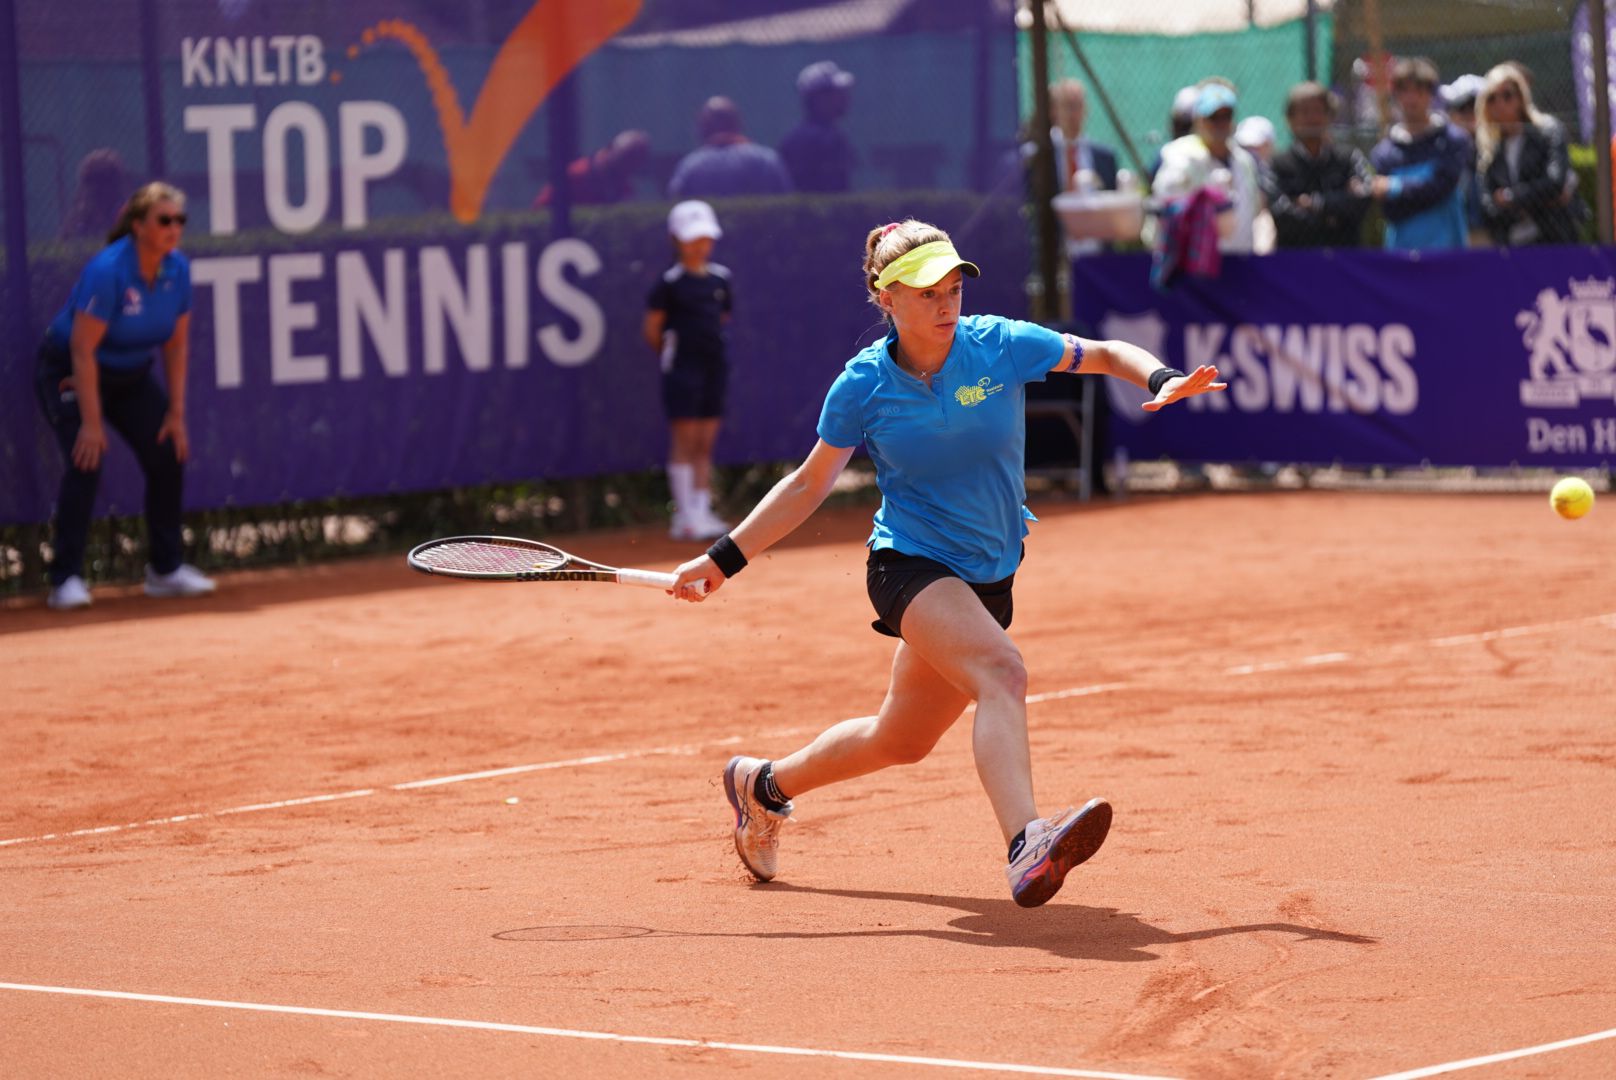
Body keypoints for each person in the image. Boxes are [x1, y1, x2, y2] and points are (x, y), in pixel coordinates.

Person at [666, 219, 1226, 906]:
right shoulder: (863, 385)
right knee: (1003, 673)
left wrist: (1163, 376)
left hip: (988, 578)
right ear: (887, 298)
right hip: (909, 565)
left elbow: (1105, 353)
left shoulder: (998, 345)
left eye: (954, 288)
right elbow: (809, 484)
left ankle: (763, 786)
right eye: (928, 292)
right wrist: (723, 559)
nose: (946, 305)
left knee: (898, 740)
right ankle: (1027, 845)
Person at [33, 181, 216, 610]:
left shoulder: (178, 270)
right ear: (138, 225)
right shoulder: (108, 270)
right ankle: (66, 579)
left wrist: (175, 412)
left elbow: (175, 345)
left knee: (168, 451)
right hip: (71, 370)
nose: (174, 228)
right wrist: (92, 425)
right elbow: (82, 348)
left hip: (129, 375)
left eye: (179, 221)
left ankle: (165, 570)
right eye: (164, 220)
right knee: (87, 459)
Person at [643, 200, 734, 541]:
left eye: (705, 238)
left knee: (706, 442)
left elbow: (722, 318)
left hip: (714, 366)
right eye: (692, 238)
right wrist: (676, 355)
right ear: (676, 240)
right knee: (685, 439)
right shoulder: (669, 284)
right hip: (682, 369)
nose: (700, 245)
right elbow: (652, 330)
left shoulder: (721, 279)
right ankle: (684, 517)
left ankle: (701, 509)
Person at [1474, 63, 1583, 247]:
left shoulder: (1548, 131)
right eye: (1492, 98)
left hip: (1554, 239)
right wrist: (1539, 199)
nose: (1500, 104)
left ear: (1521, 98)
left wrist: (1510, 198)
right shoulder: (1488, 147)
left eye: (1507, 95)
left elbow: (1555, 182)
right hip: (1512, 246)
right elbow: (1488, 205)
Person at [1369, 57, 1471, 251]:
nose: (1411, 98)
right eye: (1405, 91)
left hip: (1448, 253)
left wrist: (1394, 187)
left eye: (1419, 91)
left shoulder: (1454, 140)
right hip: (1401, 255)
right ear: (1396, 95)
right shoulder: (1383, 153)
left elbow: (1442, 187)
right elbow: (1390, 210)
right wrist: (1424, 190)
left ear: (1431, 94)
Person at [1152, 81, 1264, 254]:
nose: (1221, 123)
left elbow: (1255, 208)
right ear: (1199, 120)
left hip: (1241, 259)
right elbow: (1165, 211)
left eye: (1226, 116)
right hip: (1193, 265)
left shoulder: (1244, 160)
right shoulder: (1178, 155)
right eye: (1213, 117)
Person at [1265, 81, 1373, 248]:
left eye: (1318, 111)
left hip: (1345, 260)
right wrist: (1333, 217)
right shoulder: (1276, 165)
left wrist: (1315, 204)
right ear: (1290, 119)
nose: (1312, 118)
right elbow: (1280, 213)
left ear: (1330, 116)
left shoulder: (1349, 158)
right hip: (1294, 262)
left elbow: (1363, 198)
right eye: (1304, 112)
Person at [667, 97, 792, 200]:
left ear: (703, 128)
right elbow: (786, 199)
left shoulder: (690, 166)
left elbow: (675, 202)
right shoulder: (766, 159)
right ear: (738, 123)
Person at [778, 60, 857, 193]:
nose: (844, 97)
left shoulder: (802, 136)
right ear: (817, 98)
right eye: (835, 92)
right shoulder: (824, 139)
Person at [534, 129, 650, 207]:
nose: (628, 167)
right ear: (610, 149)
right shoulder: (575, 174)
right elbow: (540, 209)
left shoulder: (623, 184)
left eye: (635, 162)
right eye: (626, 158)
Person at [58, 149, 130, 242]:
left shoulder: (127, 214)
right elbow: (64, 244)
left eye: (102, 181)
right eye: (90, 181)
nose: (96, 188)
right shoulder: (79, 219)